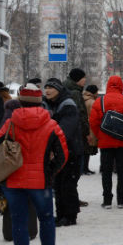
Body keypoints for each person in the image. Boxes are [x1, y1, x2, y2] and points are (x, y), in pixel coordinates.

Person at [0, 84, 68, 245]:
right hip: (40, 182)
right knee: (47, 219)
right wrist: (50, 172)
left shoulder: (10, 124)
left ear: (20, 101)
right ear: (39, 101)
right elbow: (63, 154)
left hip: (13, 182)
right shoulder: (51, 125)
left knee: (19, 220)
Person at [89, 75, 123, 209]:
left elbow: (93, 121)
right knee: (122, 171)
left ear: (108, 85)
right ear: (121, 86)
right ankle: (121, 200)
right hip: (122, 142)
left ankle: (107, 200)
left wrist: (100, 135)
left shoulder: (100, 101)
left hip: (105, 142)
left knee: (106, 171)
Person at [43, 78, 83, 227]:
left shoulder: (68, 105)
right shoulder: (48, 104)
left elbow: (65, 131)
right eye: (46, 87)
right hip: (57, 150)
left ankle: (70, 215)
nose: (47, 90)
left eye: (50, 87)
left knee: (68, 184)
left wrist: (52, 144)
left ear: (58, 89)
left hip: (71, 150)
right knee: (58, 184)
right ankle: (60, 214)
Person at [64, 68, 90, 176]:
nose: (85, 80)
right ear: (77, 79)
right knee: (75, 167)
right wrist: (86, 132)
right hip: (76, 132)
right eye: (83, 78)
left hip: (66, 130)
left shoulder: (65, 89)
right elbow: (81, 114)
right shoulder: (75, 93)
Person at [82, 84, 99, 174]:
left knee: (85, 148)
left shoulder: (82, 99)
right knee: (87, 149)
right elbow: (94, 117)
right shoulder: (92, 102)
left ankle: (84, 168)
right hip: (90, 127)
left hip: (83, 126)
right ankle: (85, 168)